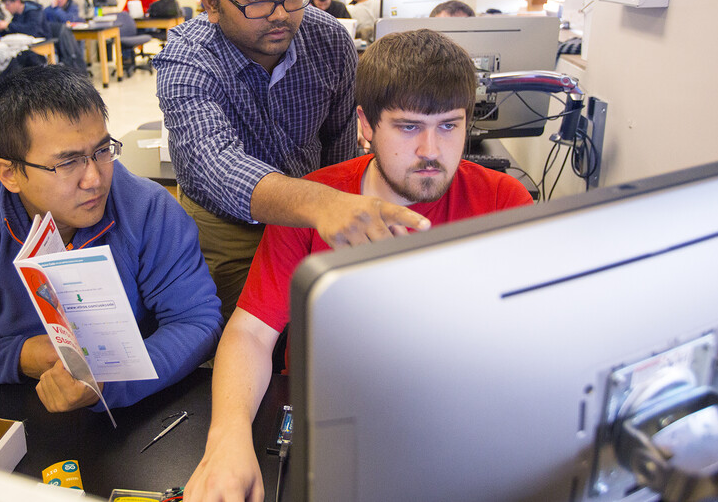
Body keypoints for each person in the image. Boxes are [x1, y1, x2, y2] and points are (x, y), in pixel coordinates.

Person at [182, 29, 535, 501]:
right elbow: (251, 332)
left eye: (449, 125)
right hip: (326, 414)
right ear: (365, 125)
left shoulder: (502, 200)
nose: (431, 150)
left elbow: (529, 337)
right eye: (408, 127)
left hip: (450, 417)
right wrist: (227, 437)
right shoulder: (312, 203)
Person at [0, 64, 223, 412]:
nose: (95, 179)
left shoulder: (149, 209)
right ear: (11, 173)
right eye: (68, 162)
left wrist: (111, 383)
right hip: (16, 397)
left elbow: (197, 322)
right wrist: (19, 356)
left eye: (102, 150)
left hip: (141, 408)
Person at [154, 0, 431, 320]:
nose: (281, 13)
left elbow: (340, 140)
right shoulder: (187, 60)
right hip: (230, 225)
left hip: (319, 210)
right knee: (236, 333)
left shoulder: (328, 38)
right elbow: (213, 162)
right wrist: (321, 202)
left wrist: (338, 201)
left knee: (326, 327)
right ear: (211, 2)